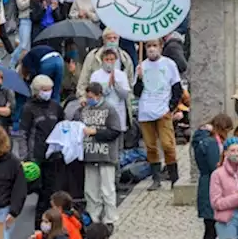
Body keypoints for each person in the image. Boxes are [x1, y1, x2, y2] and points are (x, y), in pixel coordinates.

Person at [135, 37, 184, 189]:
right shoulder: (142, 66)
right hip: (145, 111)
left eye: (154, 45)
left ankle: (173, 176)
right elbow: (137, 92)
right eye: (148, 46)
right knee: (150, 146)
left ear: (161, 47)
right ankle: (156, 178)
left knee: (167, 144)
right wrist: (139, 80)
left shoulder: (169, 64)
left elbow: (177, 88)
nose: (151, 49)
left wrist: (171, 107)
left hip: (163, 111)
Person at [76, 81, 124, 227]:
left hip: (105, 155)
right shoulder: (84, 110)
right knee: (90, 190)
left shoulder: (109, 109)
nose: (89, 99)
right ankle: (93, 218)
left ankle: (111, 218)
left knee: (107, 189)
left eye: (91, 96)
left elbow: (115, 131)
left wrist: (96, 132)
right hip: (90, 154)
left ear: (99, 95)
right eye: (87, 96)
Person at [20, 75, 63, 229]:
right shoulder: (28, 108)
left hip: (53, 156)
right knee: (35, 194)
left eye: (49, 89)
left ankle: (47, 228)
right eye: (44, 90)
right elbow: (23, 133)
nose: (48, 92)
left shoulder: (55, 106)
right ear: (37, 91)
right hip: (36, 158)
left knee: (50, 194)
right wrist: (25, 157)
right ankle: (39, 228)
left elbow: (62, 127)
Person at [193, 114, 236, 239]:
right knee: (212, 229)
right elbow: (215, 166)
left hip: (207, 185)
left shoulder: (204, 139)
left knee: (212, 227)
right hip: (212, 187)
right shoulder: (211, 142)